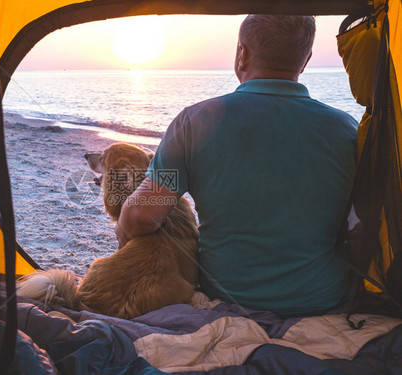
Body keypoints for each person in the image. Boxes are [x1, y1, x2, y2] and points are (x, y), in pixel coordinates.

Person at [114, 15, 358, 317]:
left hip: (227, 295)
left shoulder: (193, 123)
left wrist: (124, 232)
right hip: (322, 299)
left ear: (241, 54)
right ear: (305, 60)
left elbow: (140, 216)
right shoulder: (348, 129)